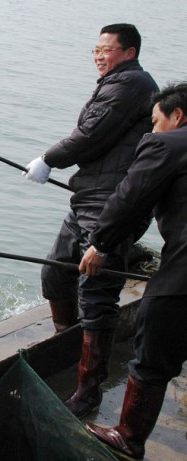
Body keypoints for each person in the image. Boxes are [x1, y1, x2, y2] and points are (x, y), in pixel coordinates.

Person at [22, 23, 159, 418]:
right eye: (95, 50)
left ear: (129, 52)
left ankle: (88, 390)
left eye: (107, 49)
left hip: (111, 204)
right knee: (55, 274)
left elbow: (91, 133)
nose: (99, 55)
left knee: (97, 297)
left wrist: (49, 160)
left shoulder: (128, 84)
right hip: (88, 198)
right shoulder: (120, 81)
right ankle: (66, 343)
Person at [78, 82, 187, 460]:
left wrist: (101, 244)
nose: (152, 131)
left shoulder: (167, 144)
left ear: (178, 117)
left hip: (183, 273)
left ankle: (127, 436)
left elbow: (129, 197)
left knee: (153, 348)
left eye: (156, 122)